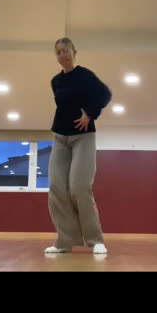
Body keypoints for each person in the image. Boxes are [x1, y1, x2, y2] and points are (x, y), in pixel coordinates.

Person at [45, 37, 112, 255]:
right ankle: (64, 241)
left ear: (74, 52)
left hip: (83, 137)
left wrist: (90, 113)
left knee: (79, 187)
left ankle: (95, 240)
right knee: (56, 187)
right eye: (58, 52)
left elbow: (105, 94)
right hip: (60, 137)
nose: (62, 55)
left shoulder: (85, 75)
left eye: (66, 50)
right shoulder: (55, 81)